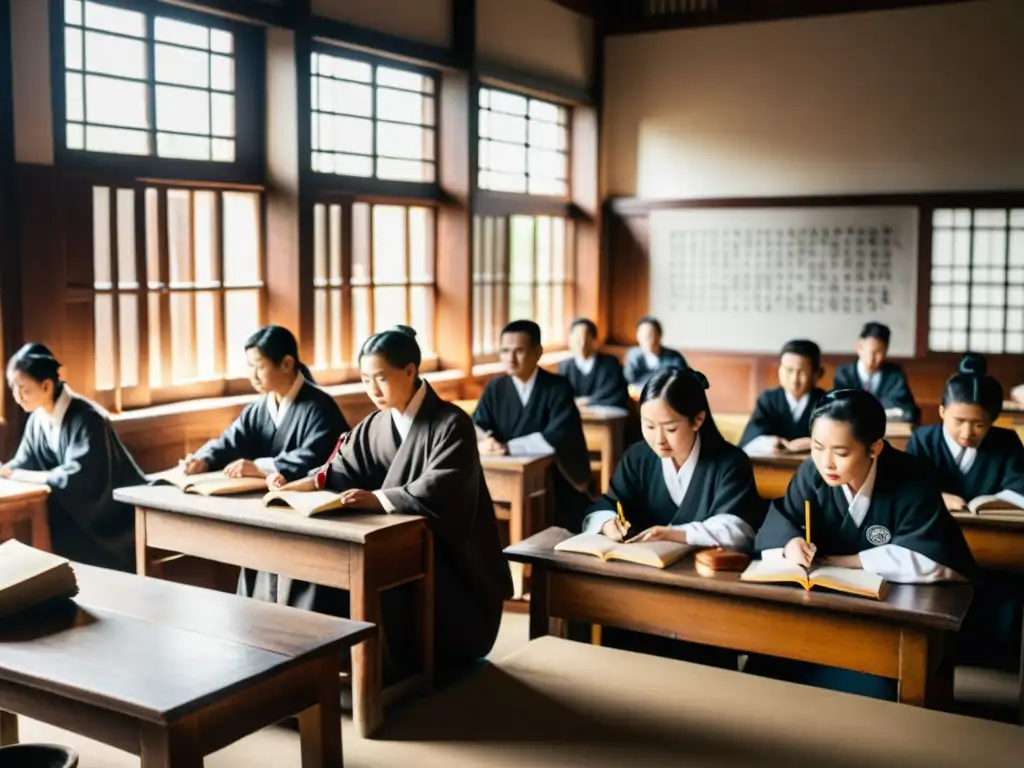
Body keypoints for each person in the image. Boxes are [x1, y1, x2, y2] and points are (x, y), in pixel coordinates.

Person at [266, 326, 512, 675]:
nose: (373, 390)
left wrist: (377, 499)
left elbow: (443, 492)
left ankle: (384, 670)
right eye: (365, 379)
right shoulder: (375, 425)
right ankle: (307, 666)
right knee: (312, 561)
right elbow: (339, 469)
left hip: (448, 563)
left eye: (381, 378)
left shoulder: (451, 423)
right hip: (391, 539)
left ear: (411, 370)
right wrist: (295, 487)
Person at [750, 389, 976, 699]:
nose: (826, 462)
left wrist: (838, 561)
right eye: (817, 447)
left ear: (875, 448)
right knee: (764, 666)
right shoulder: (812, 472)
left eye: (841, 453)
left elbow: (930, 554)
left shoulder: (912, 476)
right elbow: (781, 517)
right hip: (822, 606)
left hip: (888, 614)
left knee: (876, 685)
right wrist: (791, 542)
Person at [581, 365, 764, 666]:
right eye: (648, 426)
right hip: (641, 588)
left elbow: (739, 527)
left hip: (704, 594)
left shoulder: (729, 462)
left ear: (698, 420)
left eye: (669, 427)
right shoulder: (638, 456)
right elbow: (607, 502)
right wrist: (608, 523)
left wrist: (675, 533)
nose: (658, 439)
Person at [906, 353, 1024, 667]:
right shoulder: (923, 439)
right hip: (936, 542)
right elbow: (906, 485)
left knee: (1007, 602)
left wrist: (999, 501)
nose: (967, 432)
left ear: (993, 420)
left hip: (994, 547)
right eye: (959, 421)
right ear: (942, 411)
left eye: (979, 424)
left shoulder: (1007, 441)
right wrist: (938, 496)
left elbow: (1021, 485)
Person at [0, 343, 144, 571]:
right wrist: (6, 471)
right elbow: (24, 462)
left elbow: (76, 479)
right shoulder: (38, 419)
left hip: (110, 521)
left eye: (23, 389)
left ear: (46, 386)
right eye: (14, 389)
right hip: (72, 517)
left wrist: (20, 474)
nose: (18, 397)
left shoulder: (88, 419)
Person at [181, 325, 347, 483]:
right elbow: (230, 442)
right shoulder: (257, 410)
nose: (252, 375)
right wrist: (205, 458)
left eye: (259, 366)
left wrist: (260, 468)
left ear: (286, 364)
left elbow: (316, 456)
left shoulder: (320, 407)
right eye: (250, 366)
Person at [473, 320, 595, 531]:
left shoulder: (558, 387)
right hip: (505, 471)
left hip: (554, 477)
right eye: (504, 350)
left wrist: (509, 448)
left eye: (518, 350)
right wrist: (486, 441)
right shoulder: (495, 387)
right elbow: (477, 424)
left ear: (537, 352)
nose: (510, 358)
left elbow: (560, 434)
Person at [740, 339, 827, 454]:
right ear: (780, 370)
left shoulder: (826, 402)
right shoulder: (768, 399)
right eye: (789, 370)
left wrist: (813, 443)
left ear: (815, 374)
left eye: (801, 372)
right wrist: (774, 443)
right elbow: (751, 438)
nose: (794, 379)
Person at [832, 322, 918, 423]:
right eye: (872, 352)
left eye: (881, 352)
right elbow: (840, 405)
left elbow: (904, 405)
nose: (876, 358)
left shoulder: (895, 374)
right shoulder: (844, 374)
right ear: (859, 348)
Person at [556, 318, 630, 411]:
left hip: (606, 416)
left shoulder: (611, 364)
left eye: (586, 337)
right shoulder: (564, 366)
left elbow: (617, 394)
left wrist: (588, 401)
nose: (582, 343)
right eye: (577, 338)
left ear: (594, 341)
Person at [623, 316, 687, 389]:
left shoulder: (674, 357)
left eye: (650, 334)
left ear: (659, 336)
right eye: (642, 334)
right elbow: (628, 379)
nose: (645, 338)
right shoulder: (633, 354)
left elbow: (682, 381)